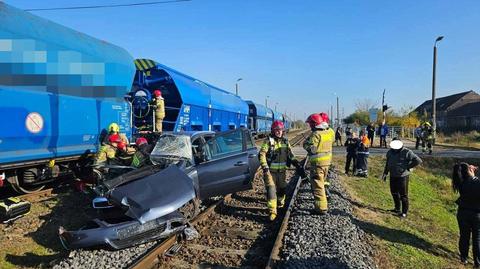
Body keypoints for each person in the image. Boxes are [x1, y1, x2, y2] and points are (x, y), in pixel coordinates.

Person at [259, 120, 298, 221]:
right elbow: (262, 154)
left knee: (282, 189)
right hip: (270, 172)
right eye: (276, 130)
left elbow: (290, 154)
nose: (278, 132)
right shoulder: (268, 141)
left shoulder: (285, 142)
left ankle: (280, 205)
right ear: (273, 131)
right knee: (271, 190)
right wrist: (265, 167)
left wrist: (296, 163)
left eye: (280, 130)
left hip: (282, 172)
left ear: (283, 131)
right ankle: (272, 211)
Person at [382, 139, 422, 218]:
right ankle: (397, 208)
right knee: (394, 192)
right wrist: (385, 173)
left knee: (403, 195)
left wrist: (408, 167)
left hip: (402, 176)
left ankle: (404, 212)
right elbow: (388, 163)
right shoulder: (390, 152)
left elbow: (418, 160)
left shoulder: (407, 152)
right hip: (393, 175)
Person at [303, 113, 334, 215]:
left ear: (314, 124)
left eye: (310, 124)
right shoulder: (330, 132)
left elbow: (312, 149)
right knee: (323, 183)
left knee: (318, 186)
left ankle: (321, 208)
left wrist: (306, 143)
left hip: (318, 165)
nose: (310, 126)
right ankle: (324, 203)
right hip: (327, 163)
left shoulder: (316, 134)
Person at [452, 162, 480, 267]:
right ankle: (477, 262)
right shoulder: (476, 182)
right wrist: (474, 176)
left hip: (463, 212)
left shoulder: (460, 182)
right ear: (469, 171)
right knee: (477, 238)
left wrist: (470, 173)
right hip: (477, 214)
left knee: (464, 236)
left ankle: (464, 258)